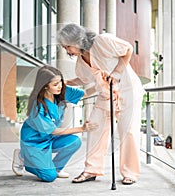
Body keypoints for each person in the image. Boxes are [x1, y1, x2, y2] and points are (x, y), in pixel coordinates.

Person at [57, 23, 145, 185]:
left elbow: (128, 49)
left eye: (67, 46)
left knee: (128, 131)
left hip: (127, 90)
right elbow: (83, 80)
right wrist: (62, 82)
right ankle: (91, 170)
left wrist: (117, 73)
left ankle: (129, 173)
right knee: (95, 127)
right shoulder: (81, 61)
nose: (67, 51)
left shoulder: (103, 41)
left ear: (77, 40)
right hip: (106, 94)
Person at [12, 65, 98, 182]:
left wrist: (101, 85)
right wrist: (81, 128)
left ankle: (56, 168)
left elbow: (86, 93)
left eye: (61, 82)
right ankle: (23, 156)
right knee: (49, 177)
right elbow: (53, 130)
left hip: (49, 138)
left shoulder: (62, 92)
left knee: (75, 141)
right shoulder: (38, 106)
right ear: (45, 86)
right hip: (33, 142)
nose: (60, 86)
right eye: (55, 84)